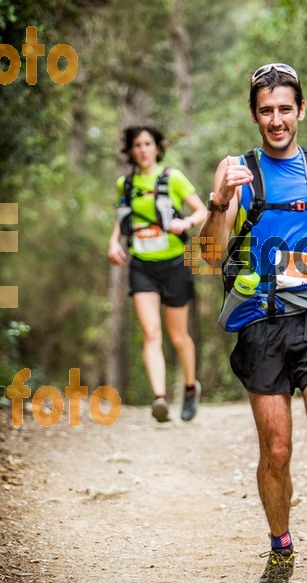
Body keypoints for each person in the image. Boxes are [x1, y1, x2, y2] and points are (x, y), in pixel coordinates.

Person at [200, 63, 307, 583]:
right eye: (266, 110)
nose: (276, 120)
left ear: (300, 111)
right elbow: (205, 256)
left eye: (284, 109)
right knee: (276, 452)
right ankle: (280, 549)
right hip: (261, 327)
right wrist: (220, 200)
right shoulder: (236, 173)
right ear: (254, 114)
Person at [107, 125, 207, 422]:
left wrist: (186, 222)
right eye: (137, 145)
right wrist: (113, 241)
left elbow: (202, 210)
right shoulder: (124, 184)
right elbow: (121, 217)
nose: (143, 149)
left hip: (175, 263)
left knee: (178, 336)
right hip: (142, 265)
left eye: (148, 144)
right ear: (130, 150)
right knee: (151, 332)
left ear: (157, 148)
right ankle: (160, 398)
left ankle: (190, 388)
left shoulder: (172, 178)